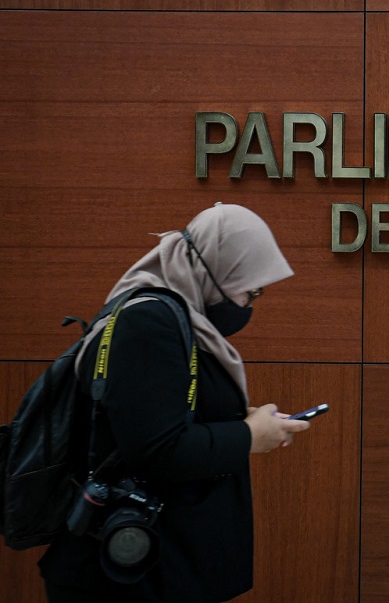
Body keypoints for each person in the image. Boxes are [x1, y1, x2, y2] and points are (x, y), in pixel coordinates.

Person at [38, 202, 311, 602]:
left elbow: (164, 415)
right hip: (129, 579)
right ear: (215, 268)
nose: (249, 304)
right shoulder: (148, 323)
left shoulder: (175, 320)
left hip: (157, 567)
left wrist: (242, 420)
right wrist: (247, 436)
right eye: (249, 290)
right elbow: (157, 449)